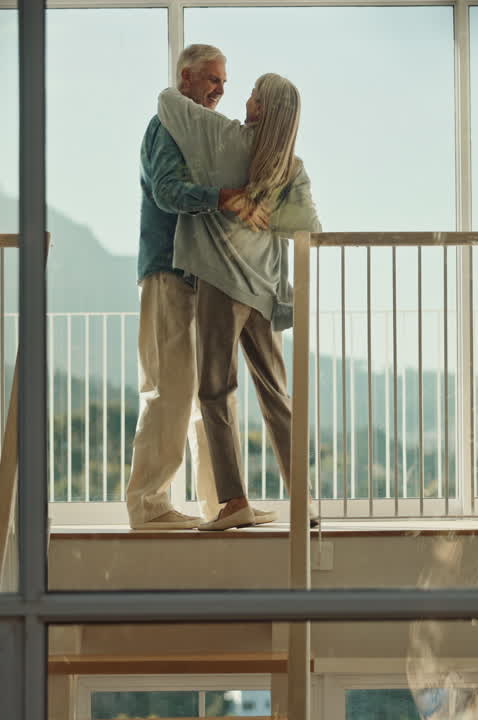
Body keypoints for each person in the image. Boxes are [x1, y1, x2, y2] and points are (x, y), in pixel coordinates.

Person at [154, 73, 322, 531]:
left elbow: (168, 101)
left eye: (251, 93)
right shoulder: (292, 166)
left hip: (221, 284)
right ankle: (303, 500)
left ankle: (233, 502)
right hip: (265, 291)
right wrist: (263, 207)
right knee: (276, 396)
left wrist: (190, 82)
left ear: (260, 108)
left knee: (214, 390)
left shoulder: (223, 138)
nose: (241, 98)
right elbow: (308, 225)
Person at [126, 44, 249, 530]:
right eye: (213, 79)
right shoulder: (167, 126)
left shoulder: (200, 134)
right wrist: (221, 197)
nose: (221, 89)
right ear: (186, 79)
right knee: (170, 390)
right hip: (168, 271)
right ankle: (149, 507)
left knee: (211, 394)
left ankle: (222, 503)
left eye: (224, 81)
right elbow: (167, 191)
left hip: (201, 276)